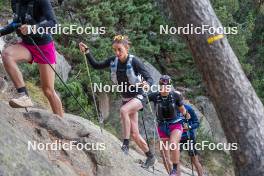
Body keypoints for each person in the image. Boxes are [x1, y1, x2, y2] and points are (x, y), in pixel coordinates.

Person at [79, 35, 156, 168]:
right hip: (126, 98)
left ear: (126, 48)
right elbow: (96, 65)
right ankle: (150, 156)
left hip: (139, 96)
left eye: (120, 49)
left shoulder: (134, 61)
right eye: (115, 50)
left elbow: (150, 78)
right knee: (135, 134)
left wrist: (146, 84)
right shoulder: (113, 61)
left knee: (123, 110)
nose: (117, 53)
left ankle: (125, 144)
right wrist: (87, 52)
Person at [1, 0, 63, 117]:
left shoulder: (41, 1)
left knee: (48, 90)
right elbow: (16, 24)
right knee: (7, 54)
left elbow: (54, 23)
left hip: (44, 46)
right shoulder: (15, 2)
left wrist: (32, 28)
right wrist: (1, 32)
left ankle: (62, 123)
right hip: (27, 45)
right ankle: (24, 96)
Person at [147, 75, 190, 176]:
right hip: (162, 126)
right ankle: (171, 173)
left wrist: (186, 116)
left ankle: (175, 169)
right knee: (165, 156)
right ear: (160, 85)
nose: (165, 87)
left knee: (173, 144)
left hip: (175, 124)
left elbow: (182, 110)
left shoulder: (175, 95)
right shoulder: (154, 96)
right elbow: (142, 101)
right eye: (163, 85)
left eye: (167, 85)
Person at [179, 104, 203, 176]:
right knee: (174, 158)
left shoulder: (188, 108)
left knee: (194, 160)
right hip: (178, 137)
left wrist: (189, 126)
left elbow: (197, 123)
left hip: (189, 137)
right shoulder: (172, 108)